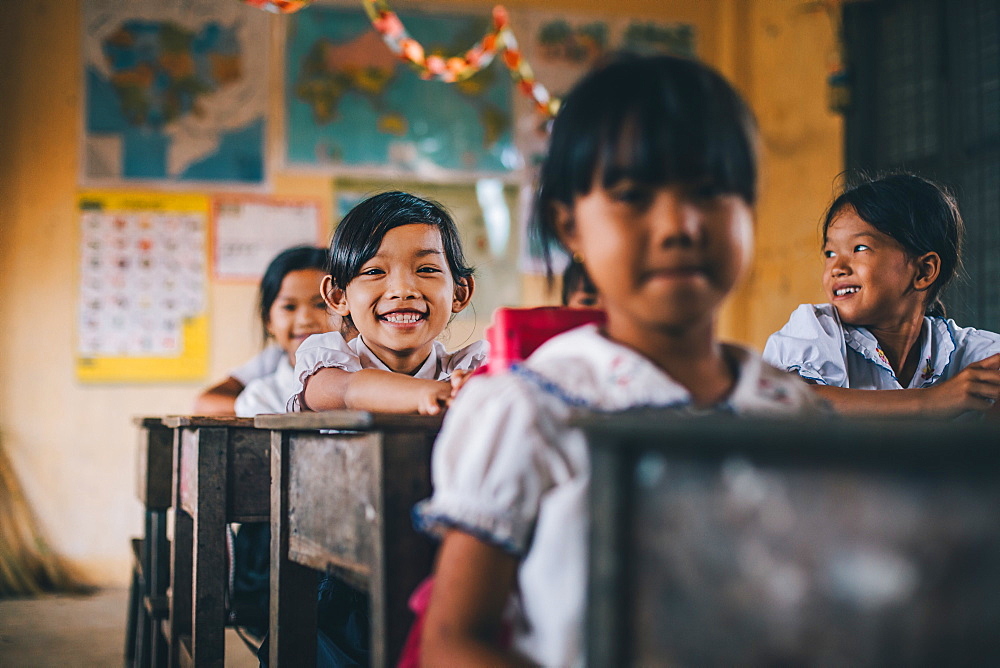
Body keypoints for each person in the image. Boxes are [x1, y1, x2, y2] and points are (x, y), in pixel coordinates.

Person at [413, 54, 825, 667]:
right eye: (633, 196)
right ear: (569, 227)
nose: (679, 226)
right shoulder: (531, 409)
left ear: (750, 212)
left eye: (710, 192)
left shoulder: (789, 409)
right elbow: (453, 643)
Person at [763, 173, 1000, 417]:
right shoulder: (817, 329)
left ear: (923, 271)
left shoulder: (961, 350)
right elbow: (795, 400)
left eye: (860, 248)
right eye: (830, 253)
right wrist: (930, 400)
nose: (837, 268)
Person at [287, 191, 487, 415]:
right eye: (374, 271)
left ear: (459, 293)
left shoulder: (470, 369)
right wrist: (430, 393)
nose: (402, 290)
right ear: (338, 296)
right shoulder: (325, 364)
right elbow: (349, 391)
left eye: (427, 269)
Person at [234, 245, 332, 417]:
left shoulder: (371, 380)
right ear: (268, 320)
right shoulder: (259, 398)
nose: (305, 320)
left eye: (320, 305)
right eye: (289, 307)